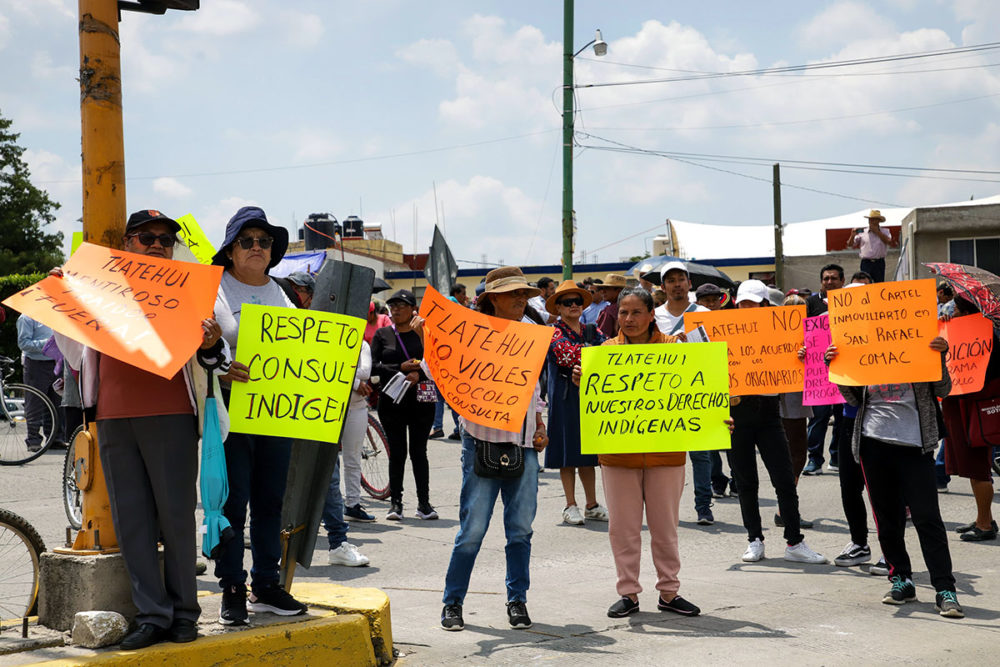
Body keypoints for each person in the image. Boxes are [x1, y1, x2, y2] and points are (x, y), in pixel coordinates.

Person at [54, 209, 230, 649]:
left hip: (170, 414)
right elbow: (73, 350)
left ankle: (184, 614)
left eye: (165, 240)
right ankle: (153, 615)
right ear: (127, 244)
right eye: (146, 237)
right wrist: (65, 293)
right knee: (132, 522)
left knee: (174, 518)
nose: (156, 245)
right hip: (112, 416)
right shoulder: (99, 285)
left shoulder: (189, 283)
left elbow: (219, 344)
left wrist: (209, 340)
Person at [571, 287, 733, 618]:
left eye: (636, 312)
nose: (629, 319)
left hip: (666, 457)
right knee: (623, 529)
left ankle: (669, 593)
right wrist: (582, 381)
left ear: (650, 314)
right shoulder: (605, 352)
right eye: (623, 313)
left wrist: (717, 418)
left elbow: (703, 390)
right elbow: (596, 403)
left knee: (665, 529)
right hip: (618, 458)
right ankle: (628, 593)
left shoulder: (676, 349)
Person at [213, 205, 310, 625]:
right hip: (232, 410)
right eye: (247, 240)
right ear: (231, 250)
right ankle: (232, 587)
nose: (257, 247)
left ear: (273, 250)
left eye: (264, 241)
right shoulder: (214, 289)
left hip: (274, 412)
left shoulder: (282, 293)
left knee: (271, 500)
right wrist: (221, 366)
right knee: (232, 501)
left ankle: (266, 584)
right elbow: (203, 343)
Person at [827, 333, 964, 618]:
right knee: (887, 518)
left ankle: (944, 589)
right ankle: (901, 579)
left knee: (927, 517)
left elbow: (944, 388)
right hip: (873, 444)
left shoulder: (920, 346)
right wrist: (838, 367)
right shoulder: (863, 350)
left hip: (915, 446)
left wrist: (938, 355)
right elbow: (853, 397)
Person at [441, 266, 548, 632]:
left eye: (524, 294)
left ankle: (517, 600)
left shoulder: (534, 334)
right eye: (513, 294)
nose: (520, 299)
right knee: (472, 529)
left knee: (520, 529)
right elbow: (437, 369)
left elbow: (535, 390)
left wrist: (541, 424)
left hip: (524, 443)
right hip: (480, 438)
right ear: (493, 299)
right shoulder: (469, 332)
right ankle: (452, 602)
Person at [728, 280, 827, 565]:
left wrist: (799, 357)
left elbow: (799, 362)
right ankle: (754, 540)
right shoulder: (726, 331)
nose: (747, 307)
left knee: (784, 478)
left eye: (753, 303)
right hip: (736, 413)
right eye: (743, 302)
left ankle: (794, 541)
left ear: (764, 305)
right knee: (745, 481)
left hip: (770, 412)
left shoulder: (779, 329)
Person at [653, 262, 715, 525]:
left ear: (689, 284)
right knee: (667, 456)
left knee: (701, 454)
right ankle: (667, 508)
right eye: (671, 280)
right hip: (663, 393)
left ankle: (703, 505)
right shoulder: (653, 315)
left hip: (696, 391)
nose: (676, 284)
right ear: (663, 286)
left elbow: (715, 350)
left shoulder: (704, 313)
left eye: (681, 279)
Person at [544, 280, 608, 525]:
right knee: (567, 451)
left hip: (590, 395)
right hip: (565, 395)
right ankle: (570, 504)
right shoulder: (554, 332)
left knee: (588, 452)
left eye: (577, 301)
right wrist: (593, 352)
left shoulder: (591, 329)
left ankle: (591, 503)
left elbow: (609, 349)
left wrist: (592, 352)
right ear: (558, 308)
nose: (573, 306)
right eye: (567, 302)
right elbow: (567, 355)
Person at [371, 289, 438, 521]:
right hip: (392, 402)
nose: (396, 309)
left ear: (413, 309)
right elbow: (372, 368)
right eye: (393, 305)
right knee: (397, 453)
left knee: (419, 452)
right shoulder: (382, 335)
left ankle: (424, 504)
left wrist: (420, 374)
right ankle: (396, 504)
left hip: (422, 402)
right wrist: (400, 368)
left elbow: (439, 362)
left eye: (401, 305)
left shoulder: (426, 333)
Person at [942, 295, 998, 542]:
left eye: (955, 309)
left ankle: (985, 525)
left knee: (979, 468)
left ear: (966, 312)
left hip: (975, 409)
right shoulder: (964, 332)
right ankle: (982, 517)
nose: (951, 312)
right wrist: (944, 327)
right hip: (962, 406)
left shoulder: (988, 336)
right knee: (973, 468)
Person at [322, 338, 374, 566]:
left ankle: (353, 504)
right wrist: (354, 381)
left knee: (352, 459)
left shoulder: (362, 344)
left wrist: (344, 375)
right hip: (328, 404)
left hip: (355, 407)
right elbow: (324, 365)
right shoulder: (327, 337)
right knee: (327, 468)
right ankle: (329, 526)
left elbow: (365, 370)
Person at [803, 264, 846, 474]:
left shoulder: (849, 304)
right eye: (826, 279)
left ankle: (836, 457)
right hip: (818, 373)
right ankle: (814, 458)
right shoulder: (810, 303)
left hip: (844, 370)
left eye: (833, 278)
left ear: (842, 281)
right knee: (818, 417)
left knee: (841, 417)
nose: (829, 282)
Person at [16, 313, 61, 452]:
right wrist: (47, 343)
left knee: (56, 402)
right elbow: (23, 343)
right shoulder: (26, 318)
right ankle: (33, 440)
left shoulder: (54, 315)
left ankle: (55, 438)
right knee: (34, 403)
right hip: (36, 363)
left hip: (55, 361)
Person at [849, 209, 892, 283]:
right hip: (866, 262)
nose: (871, 221)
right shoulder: (863, 232)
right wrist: (852, 235)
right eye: (870, 219)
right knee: (864, 283)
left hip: (879, 262)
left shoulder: (885, 231)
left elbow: (888, 241)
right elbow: (850, 244)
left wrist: (877, 232)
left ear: (878, 221)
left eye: (873, 219)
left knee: (879, 284)